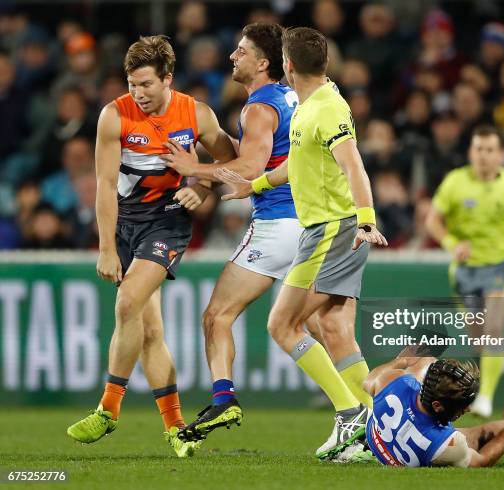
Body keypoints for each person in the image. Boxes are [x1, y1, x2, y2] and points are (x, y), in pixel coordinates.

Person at [162, 24, 375, 444]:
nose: (232, 58)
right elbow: (279, 162)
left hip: (285, 226)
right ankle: (376, 421)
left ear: (266, 63)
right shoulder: (301, 99)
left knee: (219, 316)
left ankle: (225, 397)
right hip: (317, 221)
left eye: (240, 52)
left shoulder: (259, 107)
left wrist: (195, 172)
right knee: (331, 328)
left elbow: (251, 163)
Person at [213, 27, 388, 460]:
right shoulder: (316, 102)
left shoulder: (324, 109)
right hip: (335, 228)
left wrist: (366, 221)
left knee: (281, 325)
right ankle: (376, 427)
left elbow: (354, 167)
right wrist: (252, 185)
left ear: (287, 65)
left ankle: (349, 414)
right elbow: (296, 164)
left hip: (332, 229)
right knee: (334, 329)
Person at [66, 35, 236, 457]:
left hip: (167, 223)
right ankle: (177, 429)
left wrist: (203, 186)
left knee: (127, 305)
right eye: (131, 84)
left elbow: (233, 160)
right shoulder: (113, 116)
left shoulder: (196, 114)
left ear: (168, 79)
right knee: (149, 331)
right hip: (123, 225)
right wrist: (106, 247)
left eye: (146, 84)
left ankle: (108, 409)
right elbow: (105, 187)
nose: (138, 94)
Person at [425, 125, 504, 418]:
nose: (484, 155)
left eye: (490, 150)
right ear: (470, 152)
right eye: (479, 149)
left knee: (494, 330)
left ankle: (485, 397)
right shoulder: (455, 183)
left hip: (501, 267)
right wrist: (451, 243)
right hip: (466, 271)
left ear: (499, 154)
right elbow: (432, 220)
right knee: (480, 340)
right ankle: (496, 360)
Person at [338, 354, 504, 467]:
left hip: (382, 439)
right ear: (438, 405)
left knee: (426, 361)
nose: (468, 409)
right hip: (425, 445)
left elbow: (369, 380)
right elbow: (481, 461)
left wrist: (402, 360)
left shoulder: (394, 382)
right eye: (463, 404)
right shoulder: (448, 444)